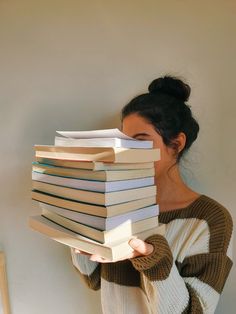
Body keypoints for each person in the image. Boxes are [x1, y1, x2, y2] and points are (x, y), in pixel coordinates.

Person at [71, 76, 233, 313]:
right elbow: (93, 279)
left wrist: (154, 257)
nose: (129, 152)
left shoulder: (211, 219)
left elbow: (194, 311)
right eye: (125, 143)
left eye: (141, 141)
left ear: (176, 144)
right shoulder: (118, 203)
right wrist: (76, 222)